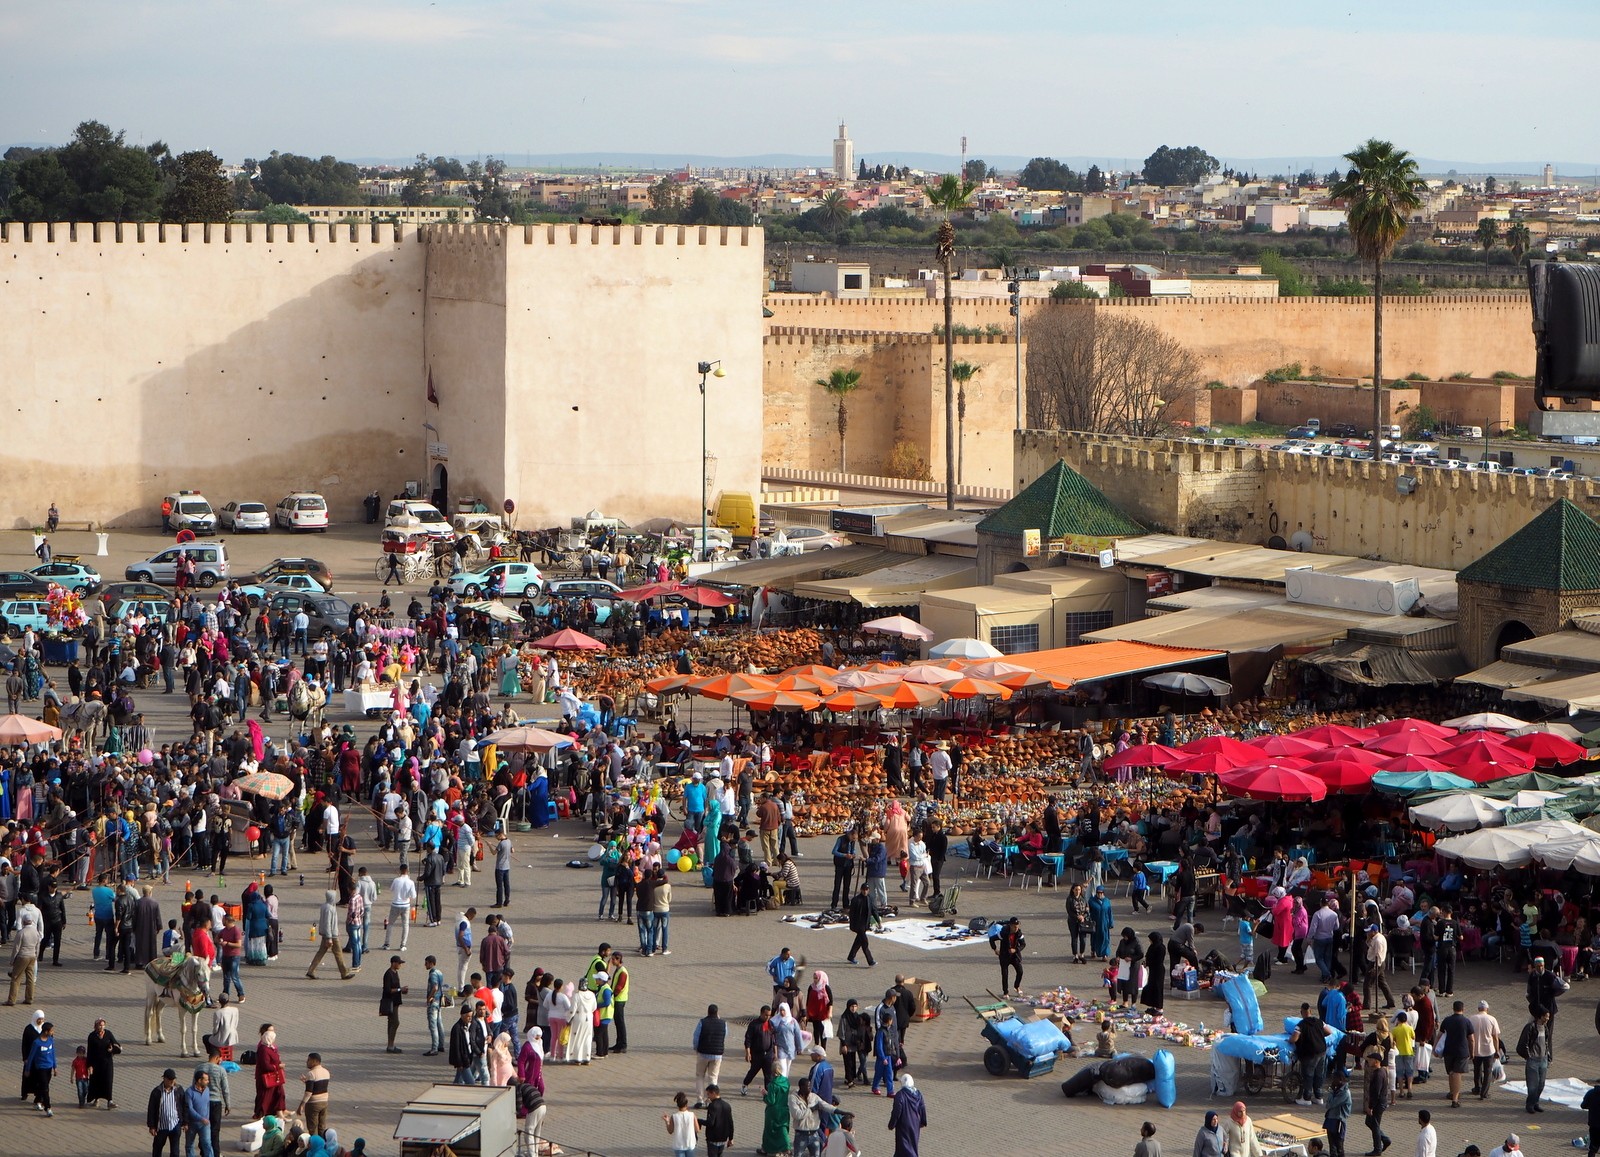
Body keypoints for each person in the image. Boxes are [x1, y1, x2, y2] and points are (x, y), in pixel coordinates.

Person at [305, 892, 355, 981]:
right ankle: (344, 973)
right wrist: (329, 937)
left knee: (321, 952)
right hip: (332, 935)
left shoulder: (324, 906)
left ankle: (311, 970)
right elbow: (328, 923)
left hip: (327, 934)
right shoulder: (330, 909)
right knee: (338, 953)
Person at [1435, 1000, 1474, 1109]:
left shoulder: (1447, 1020)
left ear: (1453, 1008)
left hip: (1448, 1050)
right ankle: (1455, 1099)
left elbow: (1439, 1035)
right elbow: (1471, 1039)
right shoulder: (1466, 1021)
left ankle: (1451, 1092)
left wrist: (1434, 1048)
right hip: (1462, 1051)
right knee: (1457, 1073)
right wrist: (1472, 1052)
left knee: (1451, 1072)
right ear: (1463, 1009)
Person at [1514, 1006, 1551, 1114]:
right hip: (1533, 1060)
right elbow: (1522, 1044)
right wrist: (1528, 1056)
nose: (1548, 1018)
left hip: (1543, 1059)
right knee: (1532, 1085)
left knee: (1541, 1085)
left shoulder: (1545, 1028)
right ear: (1540, 1016)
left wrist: (1547, 1054)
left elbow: (1546, 1042)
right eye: (1546, 1016)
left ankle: (1536, 1103)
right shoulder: (1530, 1027)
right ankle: (1530, 1104)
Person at [1525, 955, 1563, 1058]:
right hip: (1537, 1009)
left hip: (1548, 1010)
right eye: (1538, 966)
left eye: (1542, 966)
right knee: (1532, 1030)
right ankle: (1532, 1052)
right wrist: (1532, 1002)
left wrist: (1554, 994)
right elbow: (1528, 992)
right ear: (1535, 966)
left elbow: (1564, 986)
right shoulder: (1532, 976)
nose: (1540, 968)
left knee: (1548, 1033)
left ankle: (1548, 1056)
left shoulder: (1550, 975)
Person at [148, 1068, 187, 1157]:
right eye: (170, 1079)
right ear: (164, 1079)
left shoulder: (179, 1090)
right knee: (157, 1149)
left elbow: (184, 1106)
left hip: (175, 1124)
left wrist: (185, 1122)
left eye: (173, 1079)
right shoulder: (157, 1092)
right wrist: (152, 1126)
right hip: (161, 1126)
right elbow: (151, 1110)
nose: (172, 1082)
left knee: (175, 1151)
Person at [887, 1071, 927, 1157]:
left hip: (903, 1125)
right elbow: (922, 1107)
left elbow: (896, 1111)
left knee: (903, 1147)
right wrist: (923, 1121)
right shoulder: (918, 1094)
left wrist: (892, 1124)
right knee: (913, 1145)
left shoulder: (900, 1095)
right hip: (915, 1124)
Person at [693, 1004, 727, 1103]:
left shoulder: (702, 1022)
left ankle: (700, 1100)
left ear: (708, 1012)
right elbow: (725, 1034)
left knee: (700, 1076)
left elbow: (696, 1037)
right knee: (713, 1077)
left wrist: (696, 1048)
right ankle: (712, 1099)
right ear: (717, 1013)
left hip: (703, 1053)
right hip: (717, 1055)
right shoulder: (723, 1023)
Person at [85, 1016, 121, 1109]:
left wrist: (112, 1050)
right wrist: (89, 1065)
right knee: (96, 1081)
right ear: (96, 1026)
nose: (101, 1027)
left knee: (108, 1081)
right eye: (100, 1025)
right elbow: (90, 1052)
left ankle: (110, 1101)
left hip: (107, 1062)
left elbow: (117, 1046)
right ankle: (96, 1099)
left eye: (103, 1025)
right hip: (96, 1063)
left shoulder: (108, 1034)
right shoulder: (92, 1036)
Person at [24, 1017, 57, 1117]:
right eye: (51, 1030)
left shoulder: (51, 1040)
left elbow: (53, 1053)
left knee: (43, 1086)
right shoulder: (37, 1043)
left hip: (49, 1067)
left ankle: (37, 1100)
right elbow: (31, 1056)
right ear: (46, 1031)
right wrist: (27, 1069)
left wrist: (55, 1067)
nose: (53, 1032)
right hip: (40, 1068)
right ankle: (48, 1108)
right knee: (45, 1088)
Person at [1468, 1000, 1500, 1101]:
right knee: (1488, 1071)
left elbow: (1468, 1036)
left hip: (1476, 1050)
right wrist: (1497, 1050)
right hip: (1488, 1050)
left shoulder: (1472, 1019)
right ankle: (1484, 1093)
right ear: (1487, 1009)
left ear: (1478, 1009)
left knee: (1477, 1070)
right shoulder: (1492, 1019)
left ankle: (1477, 1088)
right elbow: (1495, 1037)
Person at [741, 1005, 775, 1096]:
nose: (767, 1017)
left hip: (768, 1054)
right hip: (757, 1054)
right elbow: (748, 1040)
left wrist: (775, 1052)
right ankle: (745, 1084)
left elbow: (773, 1038)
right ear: (761, 1013)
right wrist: (748, 1053)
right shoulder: (754, 1024)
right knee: (753, 1071)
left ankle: (768, 1092)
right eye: (766, 1015)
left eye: (769, 1015)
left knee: (768, 1075)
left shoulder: (771, 1024)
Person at [252, 1024, 285, 1120]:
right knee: (264, 1097)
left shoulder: (271, 1047)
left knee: (278, 1093)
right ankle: (261, 1115)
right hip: (266, 1077)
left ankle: (278, 1112)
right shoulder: (263, 1049)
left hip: (274, 1076)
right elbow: (265, 1065)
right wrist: (277, 1066)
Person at [1362, 1049, 1391, 1156]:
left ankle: (1377, 1149)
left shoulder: (1379, 1074)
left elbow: (1375, 1093)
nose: (1369, 1061)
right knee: (1370, 1122)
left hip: (1378, 1104)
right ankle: (1385, 1139)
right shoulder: (1381, 1071)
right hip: (1380, 1102)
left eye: (1371, 1060)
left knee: (1374, 1125)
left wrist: (1370, 1107)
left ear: (1376, 1061)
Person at [790, 1075, 826, 1157]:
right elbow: (797, 1115)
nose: (810, 1088)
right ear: (801, 1087)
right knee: (798, 1154)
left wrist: (839, 1111)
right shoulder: (793, 1098)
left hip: (814, 1134)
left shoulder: (813, 1097)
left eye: (810, 1086)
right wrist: (811, 1109)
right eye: (808, 1086)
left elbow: (825, 1105)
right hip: (801, 1134)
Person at [991, 916, 1026, 997]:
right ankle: (1005, 992)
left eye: (1017, 926)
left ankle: (1016, 987)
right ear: (1010, 925)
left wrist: (1016, 949)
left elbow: (1023, 944)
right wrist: (995, 949)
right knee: (1005, 974)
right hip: (1004, 956)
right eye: (1014, 927)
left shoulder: (1019, 933)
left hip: (1015, 956)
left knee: (1020, 971)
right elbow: (992, 939)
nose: (1016, 928)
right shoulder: (1003, 933)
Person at [380, 956, 408, 1053]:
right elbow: (387, 990)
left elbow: (397, 987)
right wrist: (400, 989)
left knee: (391, 1022)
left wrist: (402, 991)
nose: (400, 965)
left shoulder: (395, 972)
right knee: (395, 1022)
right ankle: (390, 1045)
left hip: (395, 1002)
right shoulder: (388, 974)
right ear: (393, 963)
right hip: (390, 1002)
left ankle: (390, 1044)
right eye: (399, 963)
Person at [185, 1070, 214, 1157]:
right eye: (206, 1080)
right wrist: (201, 1118)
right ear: (199, 1080)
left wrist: (207, 1118)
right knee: (189, 1145)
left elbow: (207, 1104)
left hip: (205, 1124)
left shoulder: (207, 1090)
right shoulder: (189, 1092)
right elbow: (190, 1109)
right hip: (192, 1123)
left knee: (207, 1143)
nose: (208, 1082)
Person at [845, 884, 876, 967]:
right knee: (865, 942)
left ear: (868, 890)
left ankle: (851, 957)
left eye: (866, 890)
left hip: (865, 924)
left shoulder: (869, 899)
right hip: (858, 925)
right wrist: (853, 925)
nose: (865, 891)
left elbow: (873, 910)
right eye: (863, 890)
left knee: (858, 941)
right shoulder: (856, 900)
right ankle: (870, 961)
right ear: (861, 890)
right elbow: (852, 914)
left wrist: (878, 921)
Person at [762, 1072, 792, 1157]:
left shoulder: (772, 1084)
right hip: (784, 1109)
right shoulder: (786, 1082)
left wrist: (765, 1095)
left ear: (773, 1073)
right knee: (783, 1129)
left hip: (773, 1111)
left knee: (769, 1130)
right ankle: (786, 1148)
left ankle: (766, 1148)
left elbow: (771, 1100)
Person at [1324, 1069, 1352, 1157]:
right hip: (1330, 1119)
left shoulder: (1345, 1092)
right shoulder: (1336, 1090)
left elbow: (1331, 1104)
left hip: (1338, 1120)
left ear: (1340, 1079)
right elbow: (1327, 1104)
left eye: (1334, 1079)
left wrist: (1331, 1091)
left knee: (1339, 1145)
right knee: (1332, 1145)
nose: (1333, 1081)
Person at [702, 1084, 735, 1157]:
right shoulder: (727, 1105)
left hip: (713, 1138)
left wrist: (699, 1121)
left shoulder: (712, 1106)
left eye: (708, 1094)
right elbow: (730, 1123)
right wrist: (731, 1138)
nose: (708, 1097)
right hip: (723, 1138)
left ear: (713, 1093)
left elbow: (710, 1123)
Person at [664, 1089, 700, 1157]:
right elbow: (697, 1130)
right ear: (686, 1104)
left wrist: (667, 1121)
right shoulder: (692, 1115)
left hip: (679, 1145)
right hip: (690, 1144)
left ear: (677, 1105)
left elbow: (670, 1131)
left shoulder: (674, 1116)